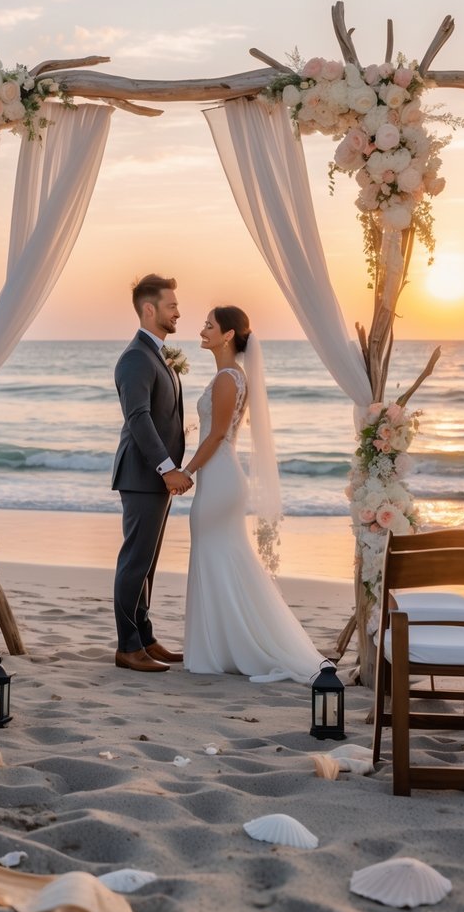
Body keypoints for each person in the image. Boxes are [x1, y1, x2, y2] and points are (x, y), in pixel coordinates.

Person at [182, 305, 324, 682]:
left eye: (209, 325)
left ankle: (227, 647)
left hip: (220, 477)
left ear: (228, 335)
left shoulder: (229, 378)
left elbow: (216, 436)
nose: (203, 329)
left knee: (219, 555)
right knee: (219, 556)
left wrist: (186, 471)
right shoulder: (228, 376)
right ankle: (220, 646)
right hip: (220, 476)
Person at [112, 274, 190, 672]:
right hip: (143, 476)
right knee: (134, 562)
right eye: (171, 305)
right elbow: (139, 418)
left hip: (155, 478)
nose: (178, 311)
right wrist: (167, 468)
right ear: (149, 308)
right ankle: (127, 647)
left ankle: (145, 637)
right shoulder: (135, 358)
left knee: (148, 563)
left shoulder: (157, 354)